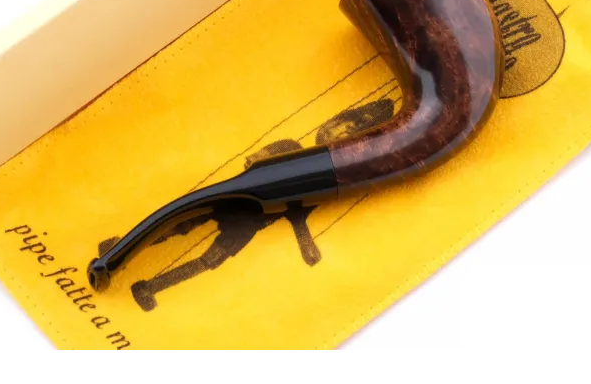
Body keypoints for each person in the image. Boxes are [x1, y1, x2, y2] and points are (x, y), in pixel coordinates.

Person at [106, 96, 398, 312]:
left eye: (359, 130)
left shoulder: (325, 183)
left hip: (251, 223)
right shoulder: (289, 147)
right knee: (181, 223)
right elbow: (254, 162)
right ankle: (119, 247)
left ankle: (151, 287)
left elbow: (299, 219)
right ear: (334, 119)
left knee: (211, 259)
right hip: (234, 197)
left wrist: (304, 237)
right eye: (350, 122)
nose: (346, 131)